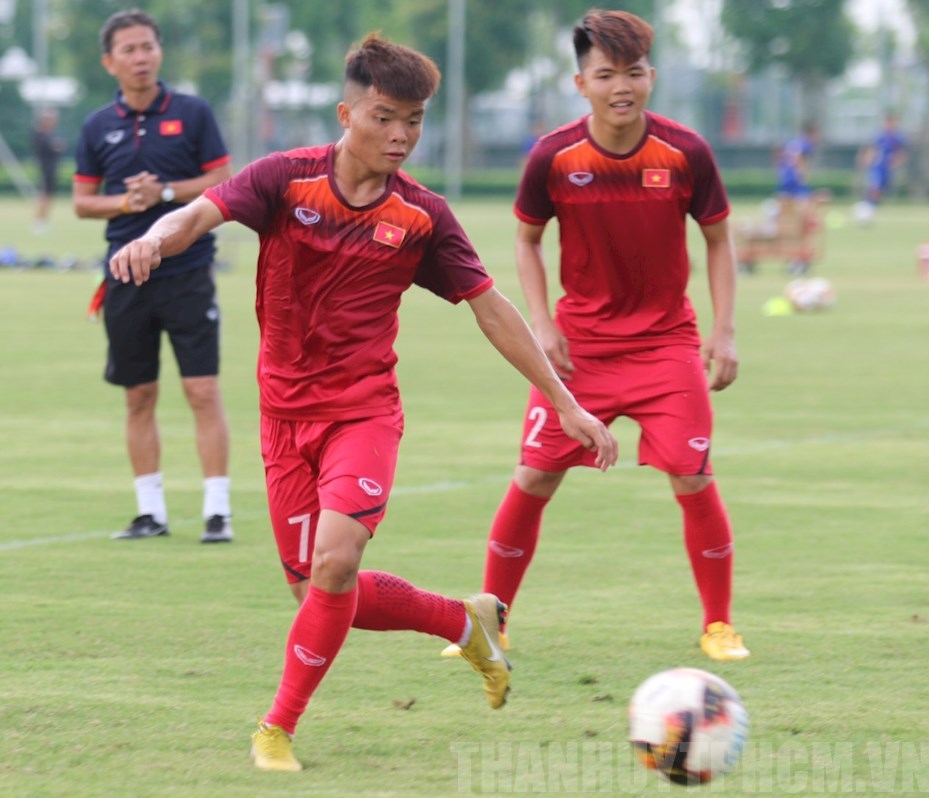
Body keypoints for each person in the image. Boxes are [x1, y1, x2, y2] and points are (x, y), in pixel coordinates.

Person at [109, 34, 618, 773]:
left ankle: (276, 728)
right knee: (317, 589)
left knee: (335, 560)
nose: (402, 135)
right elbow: (196, 215)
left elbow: (491, 308)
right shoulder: (285, 179)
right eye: (385, 117)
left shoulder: (422, 215)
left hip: (363, 414)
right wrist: (154, 240)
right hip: (284, 419)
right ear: (347, 114)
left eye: (414, 120)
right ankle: (465, 621)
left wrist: (565, 403)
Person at [444, 9, 749, 663]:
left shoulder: (686, 152)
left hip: (667, 346)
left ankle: (719, 626)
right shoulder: (553, 156)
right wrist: (542, 323)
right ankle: (491, 625)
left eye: (633, 73)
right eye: (606, 74)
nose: (622, 87)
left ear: (651, 77)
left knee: (693, 478)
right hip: (579, 351)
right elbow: (527, 241)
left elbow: (719, 239)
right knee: (533, 477)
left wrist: (723, 331)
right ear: (581, 83)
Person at [73, 10, 234, 543]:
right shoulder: (97, 125)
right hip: (125, 277)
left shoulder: (192, 112)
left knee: (202, 390)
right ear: (109, 62)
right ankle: (150, 513)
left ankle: (217, 512)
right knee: (138, 395)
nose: (141, 57)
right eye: (129, 49)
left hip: (188, 271)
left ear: (159, 52)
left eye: (148, 46)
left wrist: (163, 192)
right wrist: (126, 202)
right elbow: (83, 201)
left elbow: (221, 180)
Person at [854, 112, 908, 225]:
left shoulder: (899, 137)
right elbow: (871, 149)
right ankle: (864, 209)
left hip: (888, 170)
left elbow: (902, 153)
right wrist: (866, 160)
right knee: (875, 187)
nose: (890, 124)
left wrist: (896, 163)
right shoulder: (879, 136)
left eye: (892, 122)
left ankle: (868, 208)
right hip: (877, 167)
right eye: (888, 122)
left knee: (881, 192)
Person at [33, 107, 65, 234]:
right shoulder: (40, 135)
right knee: (44, 196)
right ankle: (39, 222)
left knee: (49, 197)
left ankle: (43, 220)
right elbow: (54, 148)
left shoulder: (51, 135)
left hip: (52, 170)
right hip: (45, 170)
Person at [776, 122, 819, 201]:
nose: (818, 136)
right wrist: (801, 174)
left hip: (785, 175)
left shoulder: (796, 141)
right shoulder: (806, 143)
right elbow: (798, 157)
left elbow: (781, 156)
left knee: (788, 200)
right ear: (811, 133)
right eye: (817, 133)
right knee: (807, 200)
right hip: (793, 178)